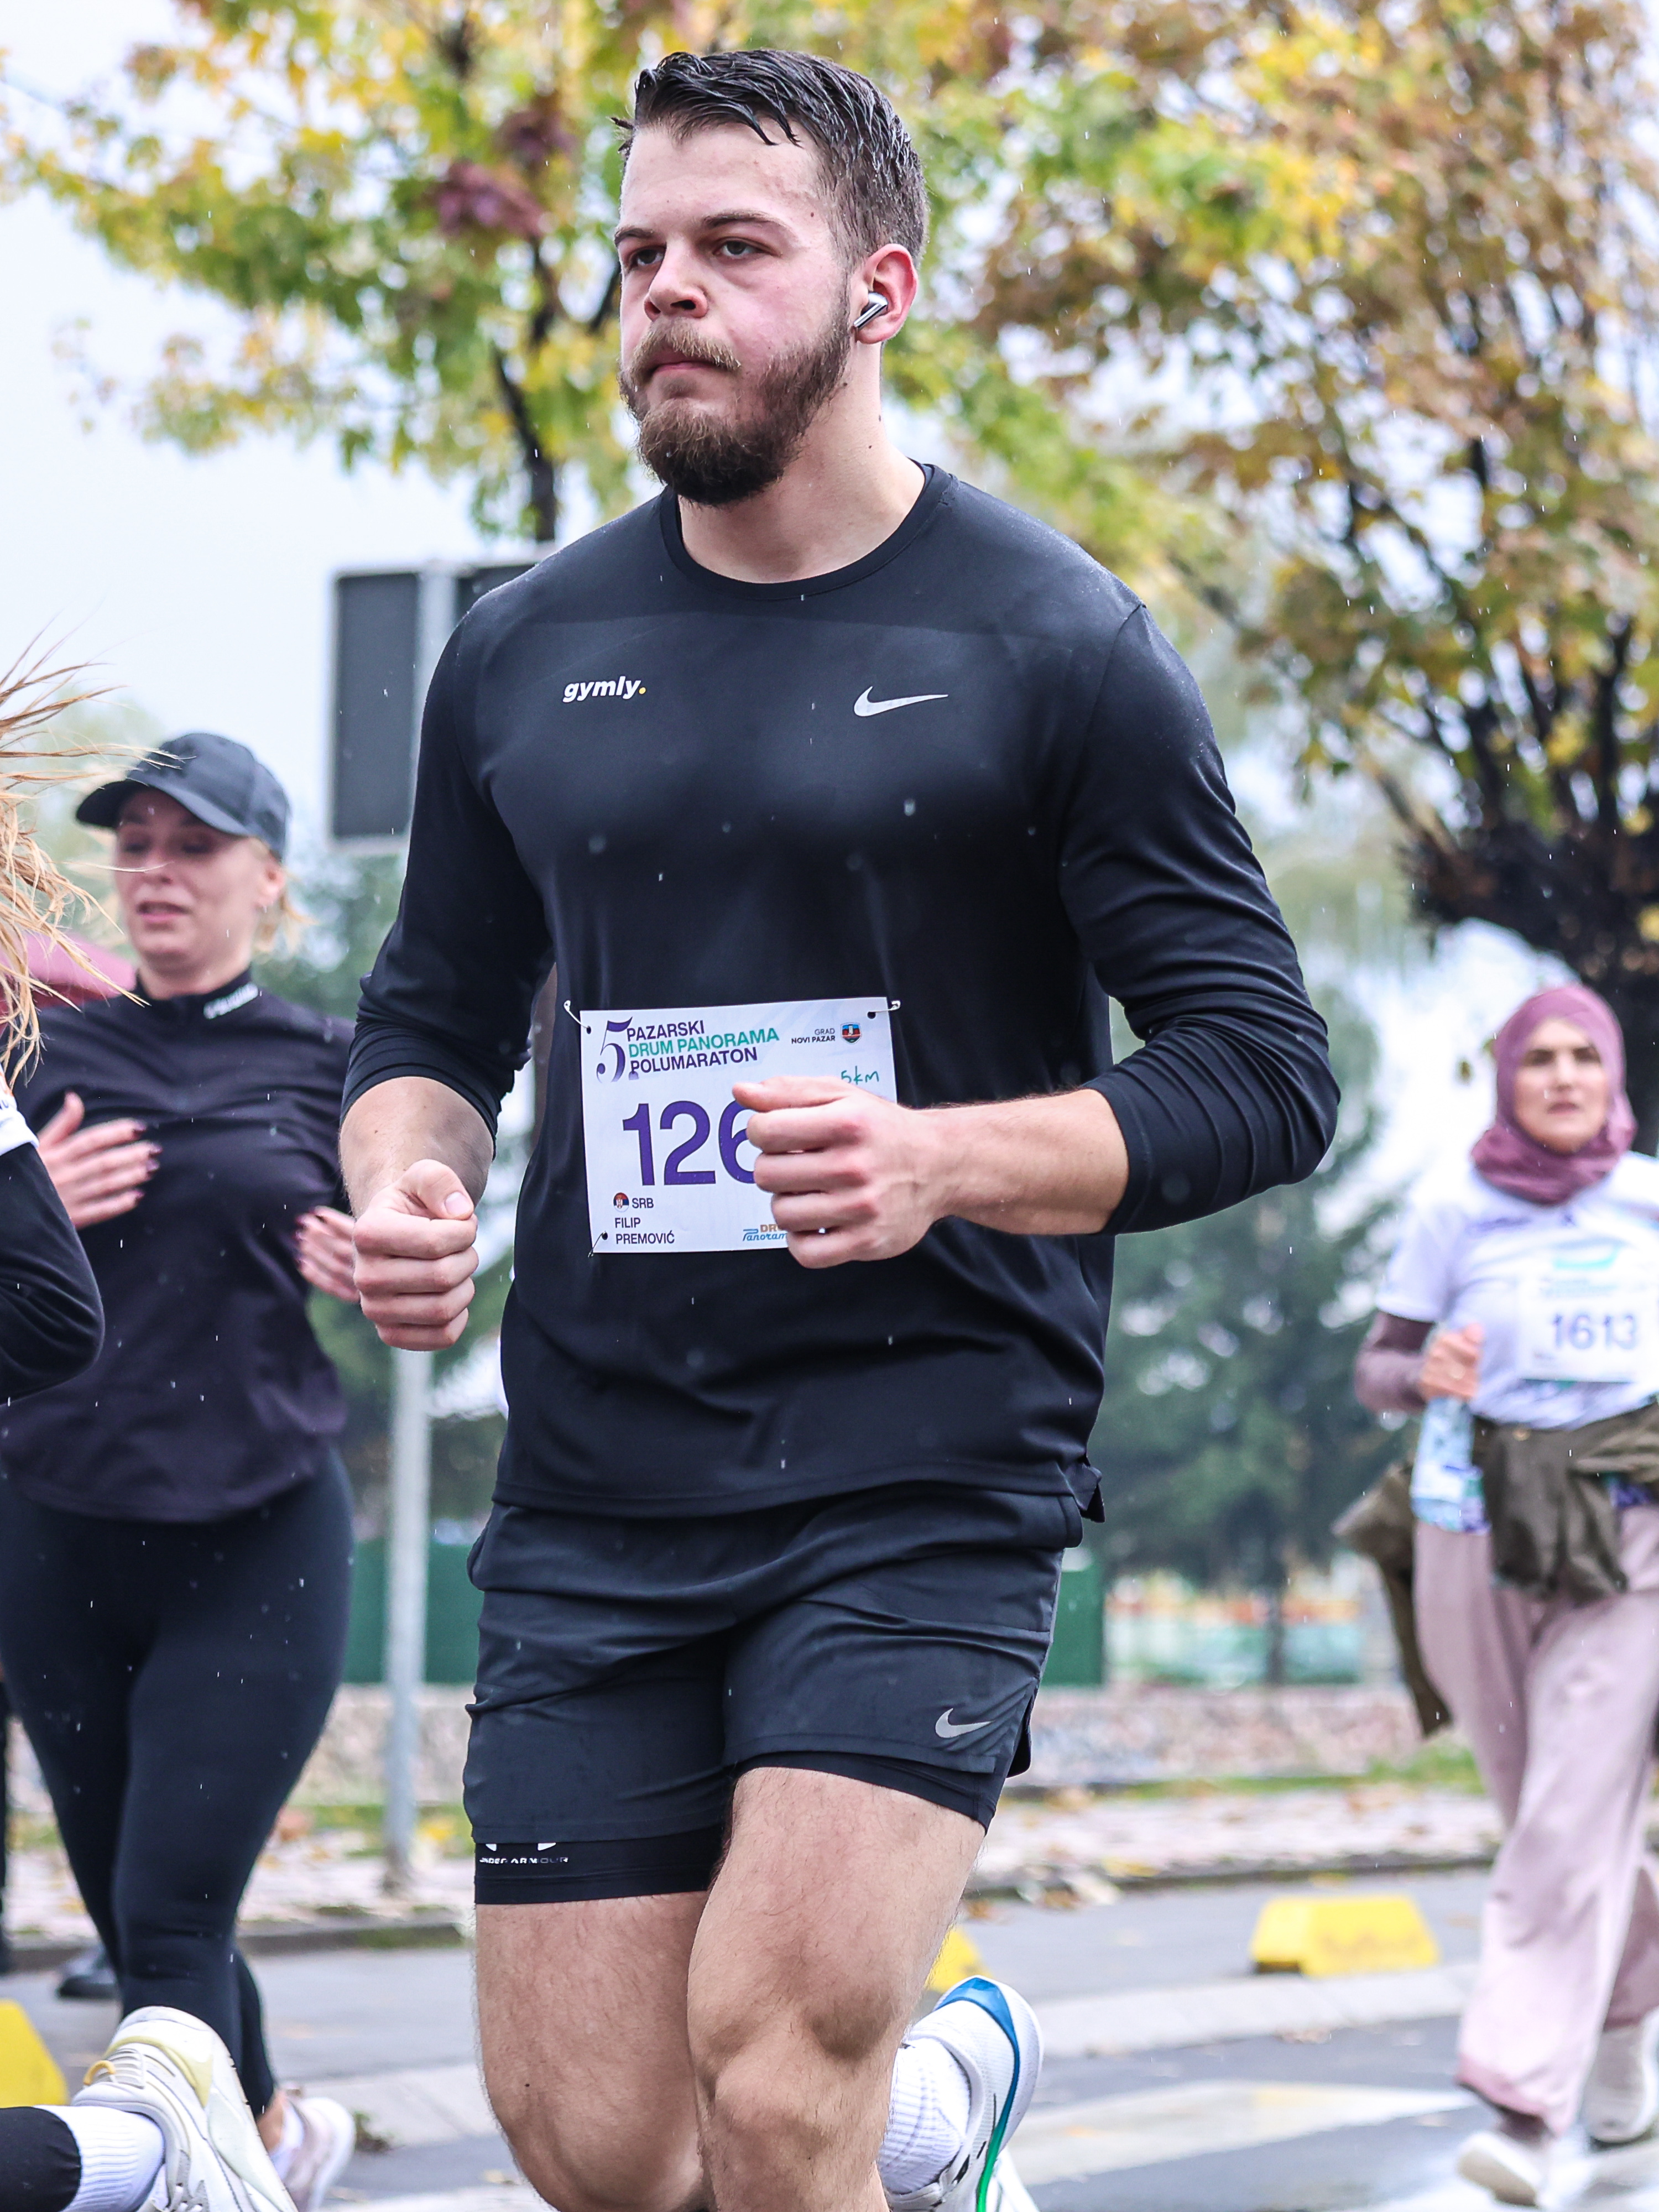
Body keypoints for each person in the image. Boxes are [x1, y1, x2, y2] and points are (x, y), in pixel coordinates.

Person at [343, 48, 1337, 2212]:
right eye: (637, 255)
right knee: (602, 2148)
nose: (666, 295)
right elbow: (428, 1019)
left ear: (881, 287)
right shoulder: (522, 652)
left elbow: (1264, 1066)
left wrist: (938, 1159)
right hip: (602, 1475)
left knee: (779, 2079)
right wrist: (406, 1177)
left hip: (924, 1459)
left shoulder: (1054, 640)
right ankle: (939, 2110)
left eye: (732, 249)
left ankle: (878, 2095)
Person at [0, 733, 363, 2212]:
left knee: (168, 1911)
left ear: (268, 878)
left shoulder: (336, 1062)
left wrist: (387, 1264)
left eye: (196, 844)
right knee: (139, 1910)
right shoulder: (37, 1053)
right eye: (135, 841)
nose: (157, 870)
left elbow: (426, 1240)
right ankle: (270, 2131)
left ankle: (207, 2180)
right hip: (55, 1526)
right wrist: (33, 1201)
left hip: (257, 1528)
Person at [1356, 983, 1659, 2204]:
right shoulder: (1454, 1206)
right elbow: (1378, 1368)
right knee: (1544, 1810)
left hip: (1631, 1539)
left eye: (1586, 1055)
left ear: (1614, 1073)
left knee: (1571, 1811)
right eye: (1541, 1057)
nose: (1565, 1075)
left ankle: (1524, 2105)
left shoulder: (1651, 1200)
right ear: (1508, 1078)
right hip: (1468, 1530)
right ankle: (1628, 2020)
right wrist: (1422, 1370)